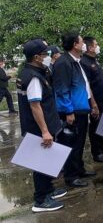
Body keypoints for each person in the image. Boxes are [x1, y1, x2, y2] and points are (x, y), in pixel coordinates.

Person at [16, 39, 67, 212]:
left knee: (47, 162)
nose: (48, 57)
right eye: (46, 54)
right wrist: (45, 131)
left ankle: (48, 190)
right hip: (39, 128)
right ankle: (40, 200)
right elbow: (35, 105)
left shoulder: (31, 72)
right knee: (41, 164)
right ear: (37, 57)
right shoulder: (33, 78)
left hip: (43, 125)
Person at [53, 32, 99, 188]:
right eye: (81, 42)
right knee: (71, 144)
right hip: (72, 111)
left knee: (79, 143)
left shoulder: (76, 61)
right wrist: (68, 111)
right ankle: (71, 177)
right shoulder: (63, 63)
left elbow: (85, 86)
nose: (84, 44)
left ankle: (79, 169)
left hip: (81, 108)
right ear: (75, 44)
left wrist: (92, 104)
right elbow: (61, 89)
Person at [80, 36, 103, 163]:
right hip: (95, 100)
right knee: (95, 126)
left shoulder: (94, 61)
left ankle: (102, 150)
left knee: (102, 125)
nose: (98, 47)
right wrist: (93, 104)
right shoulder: (84, 63)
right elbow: (87, 85)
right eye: (96, 44)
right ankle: (96, 152)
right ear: (90, 47)